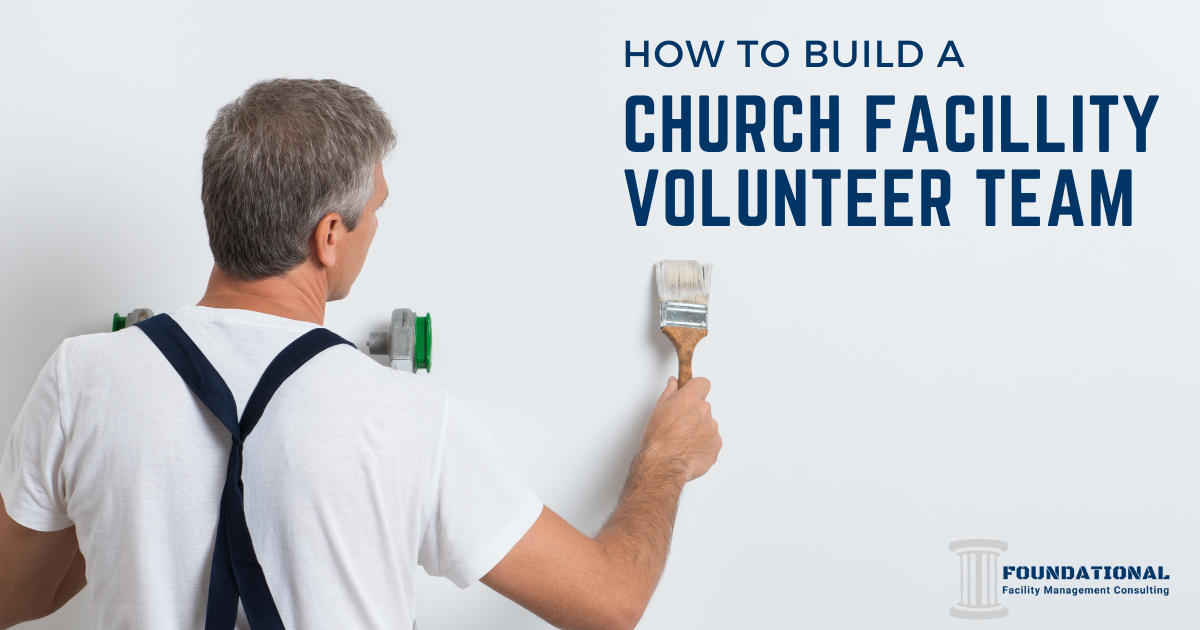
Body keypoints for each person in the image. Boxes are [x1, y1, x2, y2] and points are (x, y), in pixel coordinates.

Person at [0, 79, 721, 630]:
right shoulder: (409, 417)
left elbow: (15, 594)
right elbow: (610, 601)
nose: (376, 226)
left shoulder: (84, 377)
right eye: (375, 209)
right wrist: (666, 462)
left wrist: (129, 500)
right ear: (330, 236)